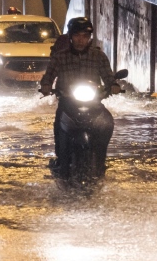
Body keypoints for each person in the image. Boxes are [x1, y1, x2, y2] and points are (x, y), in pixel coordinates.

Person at [39, 16, 118, 175]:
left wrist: (114, 85)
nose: (81, 40)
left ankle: (101, 160)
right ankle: (61, 160)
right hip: (68, 102)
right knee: (59, 126)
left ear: (89, 38)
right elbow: (48, 75)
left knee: (107, 122)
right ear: (70, 37)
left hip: (93, 102)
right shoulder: (60, 57)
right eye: (77, 36)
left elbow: (108, 76)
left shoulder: (98, 56)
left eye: (85, 36)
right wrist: (46, 85)